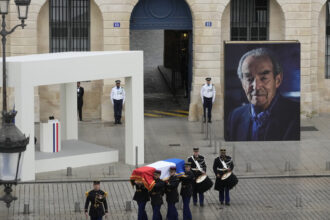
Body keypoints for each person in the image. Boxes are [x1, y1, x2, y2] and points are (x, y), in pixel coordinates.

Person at [226, 48, 300, 141]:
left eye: (264, 78)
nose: (256, 86)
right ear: (242, 83)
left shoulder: (297, 116)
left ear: (277, 80)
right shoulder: (235, 116)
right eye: (249, 79)